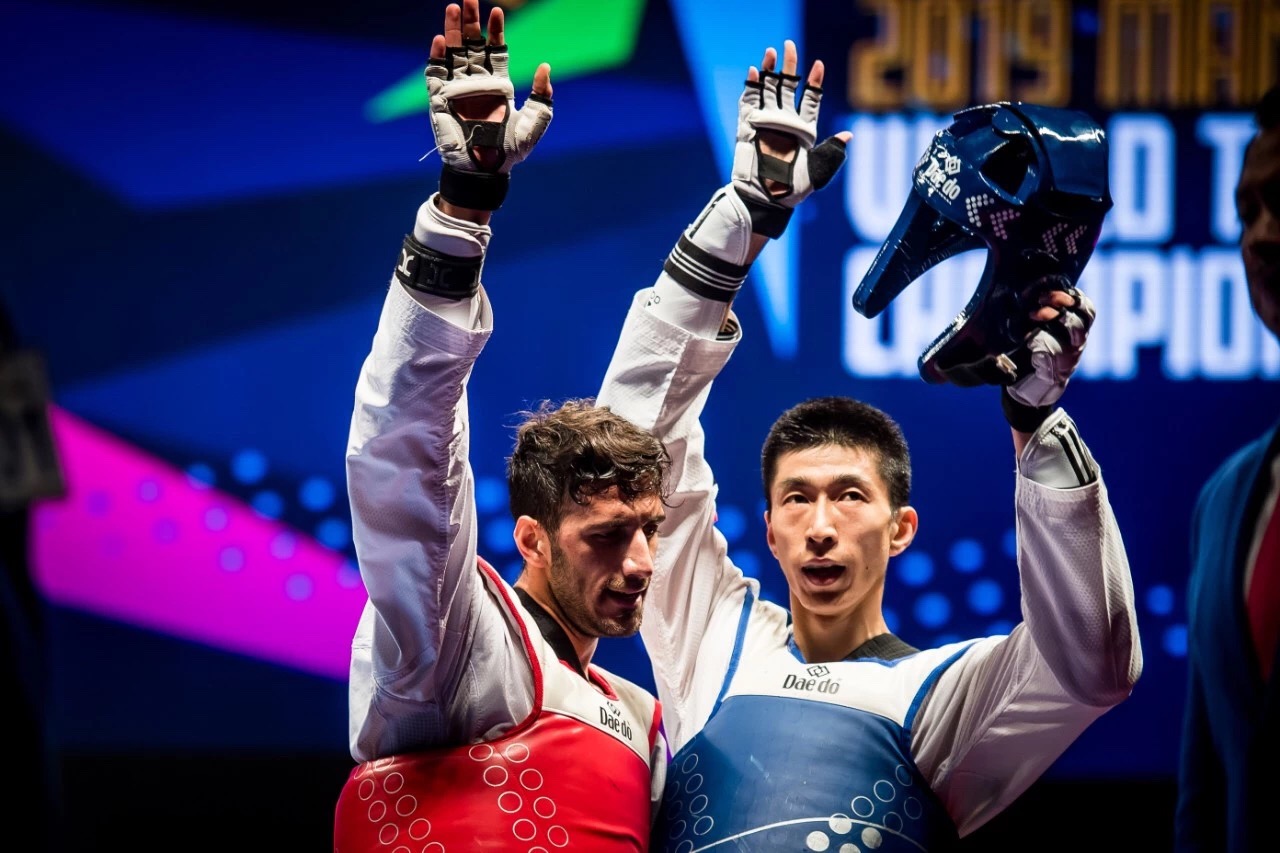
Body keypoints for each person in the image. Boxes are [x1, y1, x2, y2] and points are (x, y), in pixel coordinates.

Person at [595, 40, 1143, 851]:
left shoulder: (944, 696)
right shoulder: (715, 640)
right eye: (797, 498)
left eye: (850, 495)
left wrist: (1035, 421)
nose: (821, 525)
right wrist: (740, 221)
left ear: (900, 528)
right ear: (769, 530)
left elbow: (1093, 664)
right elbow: (628, 455)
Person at [333, 3, 670, 850]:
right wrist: (464, 207)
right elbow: (405, 454)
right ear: (531, 538)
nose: (640, 562)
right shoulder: (453, 640)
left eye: (648, 529)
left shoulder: (643, 721)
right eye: (607, 534)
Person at [1176, 85, 1280, 853]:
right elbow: (1204, 789)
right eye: (1247, 212)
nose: (1261, 235)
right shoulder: (1225, 497)